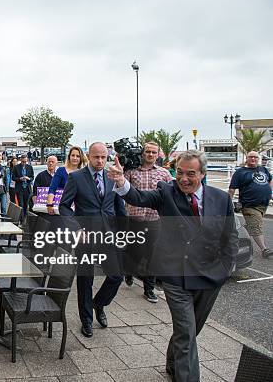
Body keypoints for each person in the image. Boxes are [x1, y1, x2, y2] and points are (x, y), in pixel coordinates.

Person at [109, 150, 238, 382]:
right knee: (187, 334)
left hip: (210, 278)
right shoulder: (166, 192)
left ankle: (172, 362)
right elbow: (139, 198)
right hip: (175, 276)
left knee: (189, 332)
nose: (184, 179)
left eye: (191, 174)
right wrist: (121, 182)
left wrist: (226, 268)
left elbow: (230, 237)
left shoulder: (221, 199)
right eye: (179, 172)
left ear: (203, 173)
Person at [58, 142, 126, 339]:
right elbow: (64, 207)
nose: (100, 161)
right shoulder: (76, 178)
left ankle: (99, 303)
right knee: (85, 280)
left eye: (104, 157)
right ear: (89, 156)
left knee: (116, 276)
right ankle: (86, 319)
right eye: (97, 157)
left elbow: (118, 207)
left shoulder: (112, 177)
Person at [122, 142, 173, 303]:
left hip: (154, 220)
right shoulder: (131, 172)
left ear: (158, 155)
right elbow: (121, 189)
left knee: (153, 256)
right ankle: (129, 271)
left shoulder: (164, 174)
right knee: (134, 253)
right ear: (142, 154)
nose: (150, 155)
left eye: (153, 152)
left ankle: (149, 289)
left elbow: (172, 194)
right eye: (148, 152)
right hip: (134, 219)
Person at [228, 151, 273, 258]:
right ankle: (264, 250)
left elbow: (270, 179)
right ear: (247, 158)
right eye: (251, 157)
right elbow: (232, 189)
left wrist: (270, 191)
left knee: (254, 224)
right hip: (249, 205)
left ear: (258, 159)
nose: (253, 159)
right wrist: (228, 203)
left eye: (255, 157)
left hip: (264, 204)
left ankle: (240, 232)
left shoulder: (263, 169)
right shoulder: (240, 172)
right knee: (257, 226)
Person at [47, 146, 87, 214]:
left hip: (79, 209)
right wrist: (49, 204)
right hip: (63, 208)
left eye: (78, 156)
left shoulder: (84, 173)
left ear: (81, 158)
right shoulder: (61, 170)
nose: (75, 158)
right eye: (73, 155)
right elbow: (52, 189)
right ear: (69, 157)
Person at [11, 154, 34, 220]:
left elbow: (32, 177)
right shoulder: (16, 167)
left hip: (27, 188)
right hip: (19, 188)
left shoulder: (29, 167)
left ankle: (25, 218)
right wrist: (19, 179)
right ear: (20, 160)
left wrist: (28, 178)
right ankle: (22, 219)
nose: (24, 163)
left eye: (25, 162)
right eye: (23, 161)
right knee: (20, 204)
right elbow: (13, 178)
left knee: (26, 205)